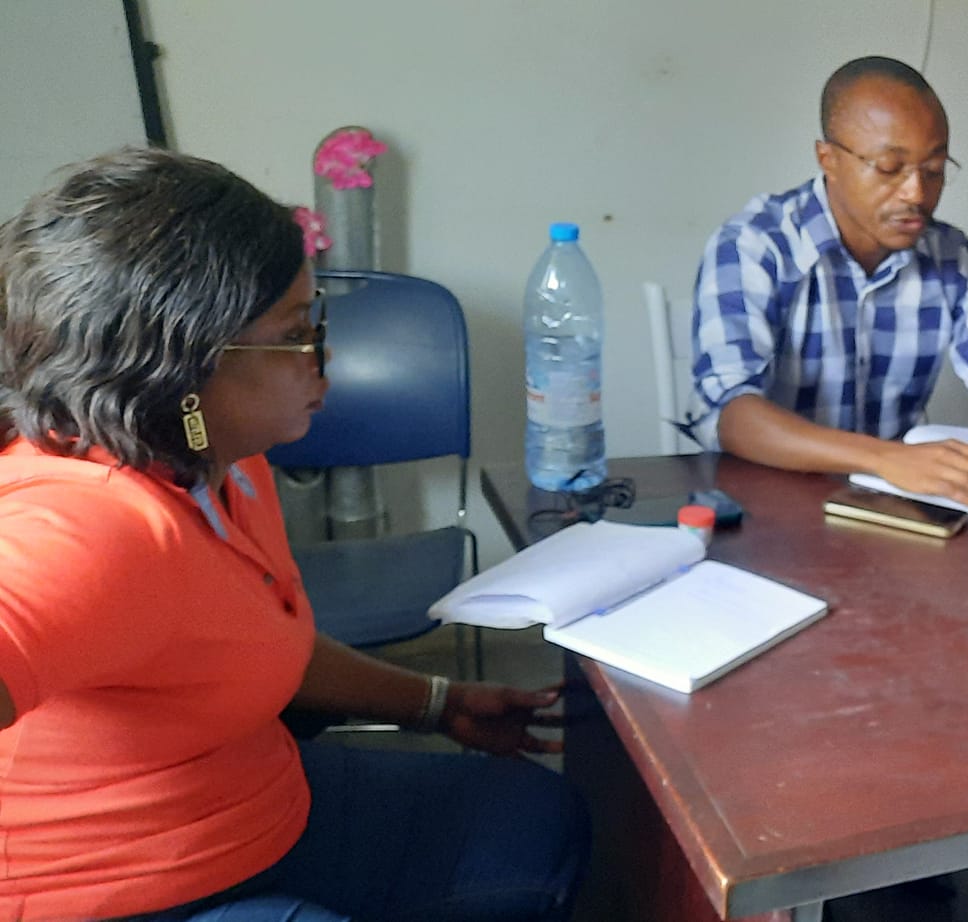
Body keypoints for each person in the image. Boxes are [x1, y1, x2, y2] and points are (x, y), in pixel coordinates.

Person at [0, 148, 587, 921]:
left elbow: (253, 643)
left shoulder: (222, 455)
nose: (322, 355)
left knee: (537, 818)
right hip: (119, 889)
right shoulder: (91, 523)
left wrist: (439, 702)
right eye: (294, 332)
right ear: (184, 367)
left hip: (251, 803)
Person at [681, 56, 968, 507]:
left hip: (890, 505)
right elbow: (732, 411)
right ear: (828, 159)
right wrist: (885, 458)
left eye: (934, 170)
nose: (916, 193)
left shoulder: (953, 258)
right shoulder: (756, 246)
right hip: (767, 505)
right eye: (890, 167)